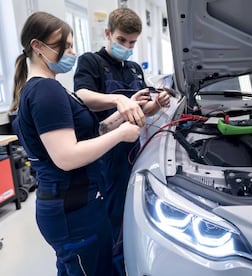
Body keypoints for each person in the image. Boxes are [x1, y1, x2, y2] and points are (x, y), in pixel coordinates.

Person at [11, 11, 143, 275]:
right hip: (72, 209)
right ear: (37, 46)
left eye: (71, 45)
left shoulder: (50, 88)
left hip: (76, 203)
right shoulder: (45, 91)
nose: (71, 52)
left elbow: (88, 132)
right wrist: (119, 135)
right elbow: (67, 156)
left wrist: (120, 117)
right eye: (65, 45)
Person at [73, 7, 170, 265]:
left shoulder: (135, 69)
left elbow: (141, 111)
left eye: (132, 42)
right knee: (112, 214)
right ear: (108, 33)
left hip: (131, 150)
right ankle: (115, 263)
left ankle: (127, 256)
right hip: (104, 152)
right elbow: (83, 96)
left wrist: (158, 104)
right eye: (121, 40)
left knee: (131, 208)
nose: (127, 47)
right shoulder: (90, 62)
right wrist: (118, 100)